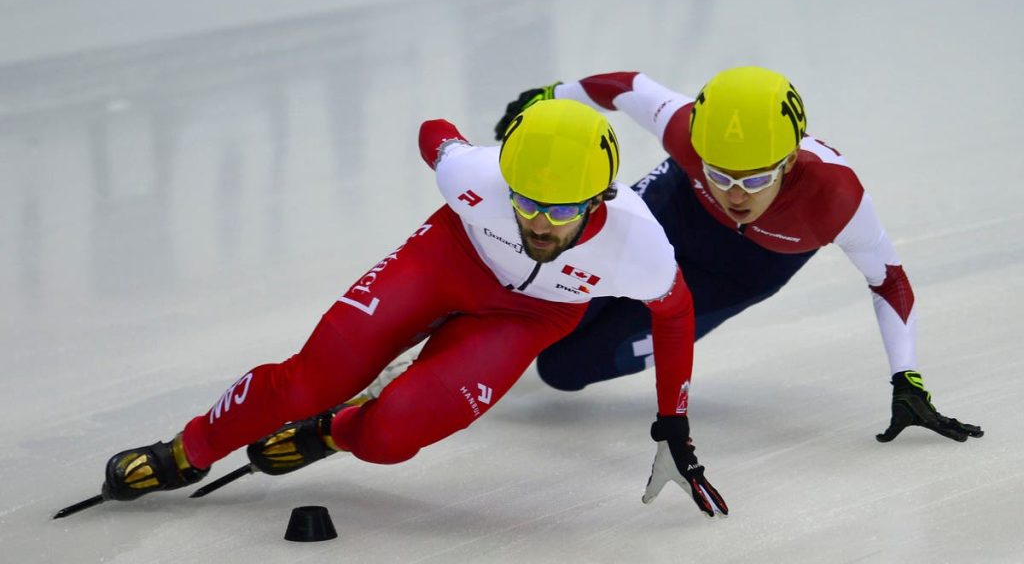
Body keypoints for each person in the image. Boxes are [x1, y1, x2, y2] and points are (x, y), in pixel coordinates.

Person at [97, 99, 729, 518]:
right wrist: (467, 142)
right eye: (527, 201)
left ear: (600, 200)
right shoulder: (475, 176)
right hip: (448, 260)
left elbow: (675, 316)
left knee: (389, 435)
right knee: (313, 378)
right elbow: (436, 135)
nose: (539, 223)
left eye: (562, 211)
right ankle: (186, 451)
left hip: (530, 317)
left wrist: (674, 426)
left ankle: (335, 431)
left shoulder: (637, 245)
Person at [492, 67, 982, 444]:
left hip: (736, 275)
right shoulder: (684, 131)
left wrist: (907, 378)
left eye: (753, 179)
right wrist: (551, 95)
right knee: (539, 303)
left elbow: (889, 280)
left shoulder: (836, 198)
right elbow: (625, 86)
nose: (735, 194)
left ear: (789, 162)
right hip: (672, 214)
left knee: (563, 369)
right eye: (719, 174)